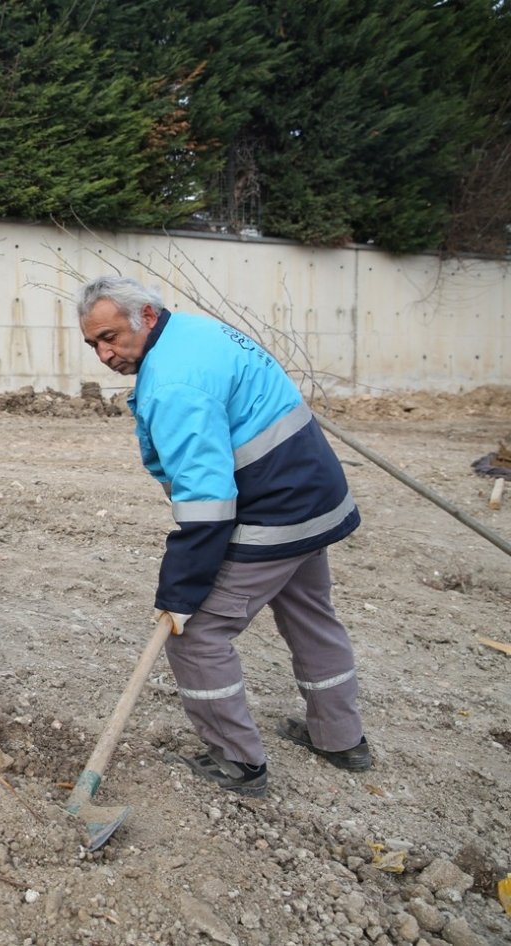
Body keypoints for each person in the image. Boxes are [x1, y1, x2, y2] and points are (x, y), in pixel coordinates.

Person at [77, 275, 371, 797]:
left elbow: (207, 504)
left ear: (145, 316)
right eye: (94, 343)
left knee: (197, 636)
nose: (104, 354)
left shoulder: (173, 384)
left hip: (273, 510)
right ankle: (341, 739)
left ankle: (239, 763)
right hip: (314, 494)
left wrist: (180, 593)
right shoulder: (194, 332)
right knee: (310, 613)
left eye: (109, 337)